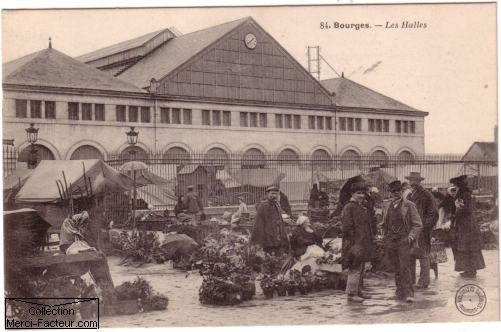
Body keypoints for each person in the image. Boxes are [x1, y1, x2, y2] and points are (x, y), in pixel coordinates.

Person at [382, 180, 422, 303]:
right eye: (393, 191)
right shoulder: (388, 206)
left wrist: (410, 238)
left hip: (403, 240)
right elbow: (385, 223)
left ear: (402, 191)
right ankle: (399, 291)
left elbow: (418, 225)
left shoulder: (409, 205)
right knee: (396, 267)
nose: (396, 193)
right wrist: (385, 236)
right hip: (391, 240)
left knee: (405, 267)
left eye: (398, 191)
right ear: (390, 193)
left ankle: (409, 293)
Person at [341, 182, 374, 303]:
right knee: (354, 268)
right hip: (354, 243)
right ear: (352, 194)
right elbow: (348, 228)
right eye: (358, 193)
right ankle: (351, 294)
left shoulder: (360, 206)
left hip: (361, 242)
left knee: (360, 268)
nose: (361, 195)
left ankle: (358, 290)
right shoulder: (349, 207)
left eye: (362, 193)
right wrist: (354, 242)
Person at [405, 171, 438, 289]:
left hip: (422, 231)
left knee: (424, 255)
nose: (412, 183)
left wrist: (424, 228)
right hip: (412, 231)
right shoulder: (409, 196)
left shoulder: (427, 194)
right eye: (410, 181)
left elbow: (434, 214)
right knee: (411, 255)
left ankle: (424, 281)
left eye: (414, 181)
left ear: (419, 182)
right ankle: (411, 280)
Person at [449, 175, 485, 277]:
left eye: (456, 186)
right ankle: (469, 269)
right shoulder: (464, 194)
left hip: (467, 225)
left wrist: (456, 214)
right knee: (467, 247)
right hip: (466, 224)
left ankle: (471, 270)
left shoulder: (464, 195)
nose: (455, 188)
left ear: (459, 186)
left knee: (467, 246)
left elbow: (466, 209)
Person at [251, 186, 288, 255]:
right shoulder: (263, 205)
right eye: (272, 194)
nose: (274, 196)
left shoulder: (276, 205)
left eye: (276, 194)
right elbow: (258, 222)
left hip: (278, 234)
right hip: (269, 236)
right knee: (270, 254)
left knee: (278, 253)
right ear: (267, 194)